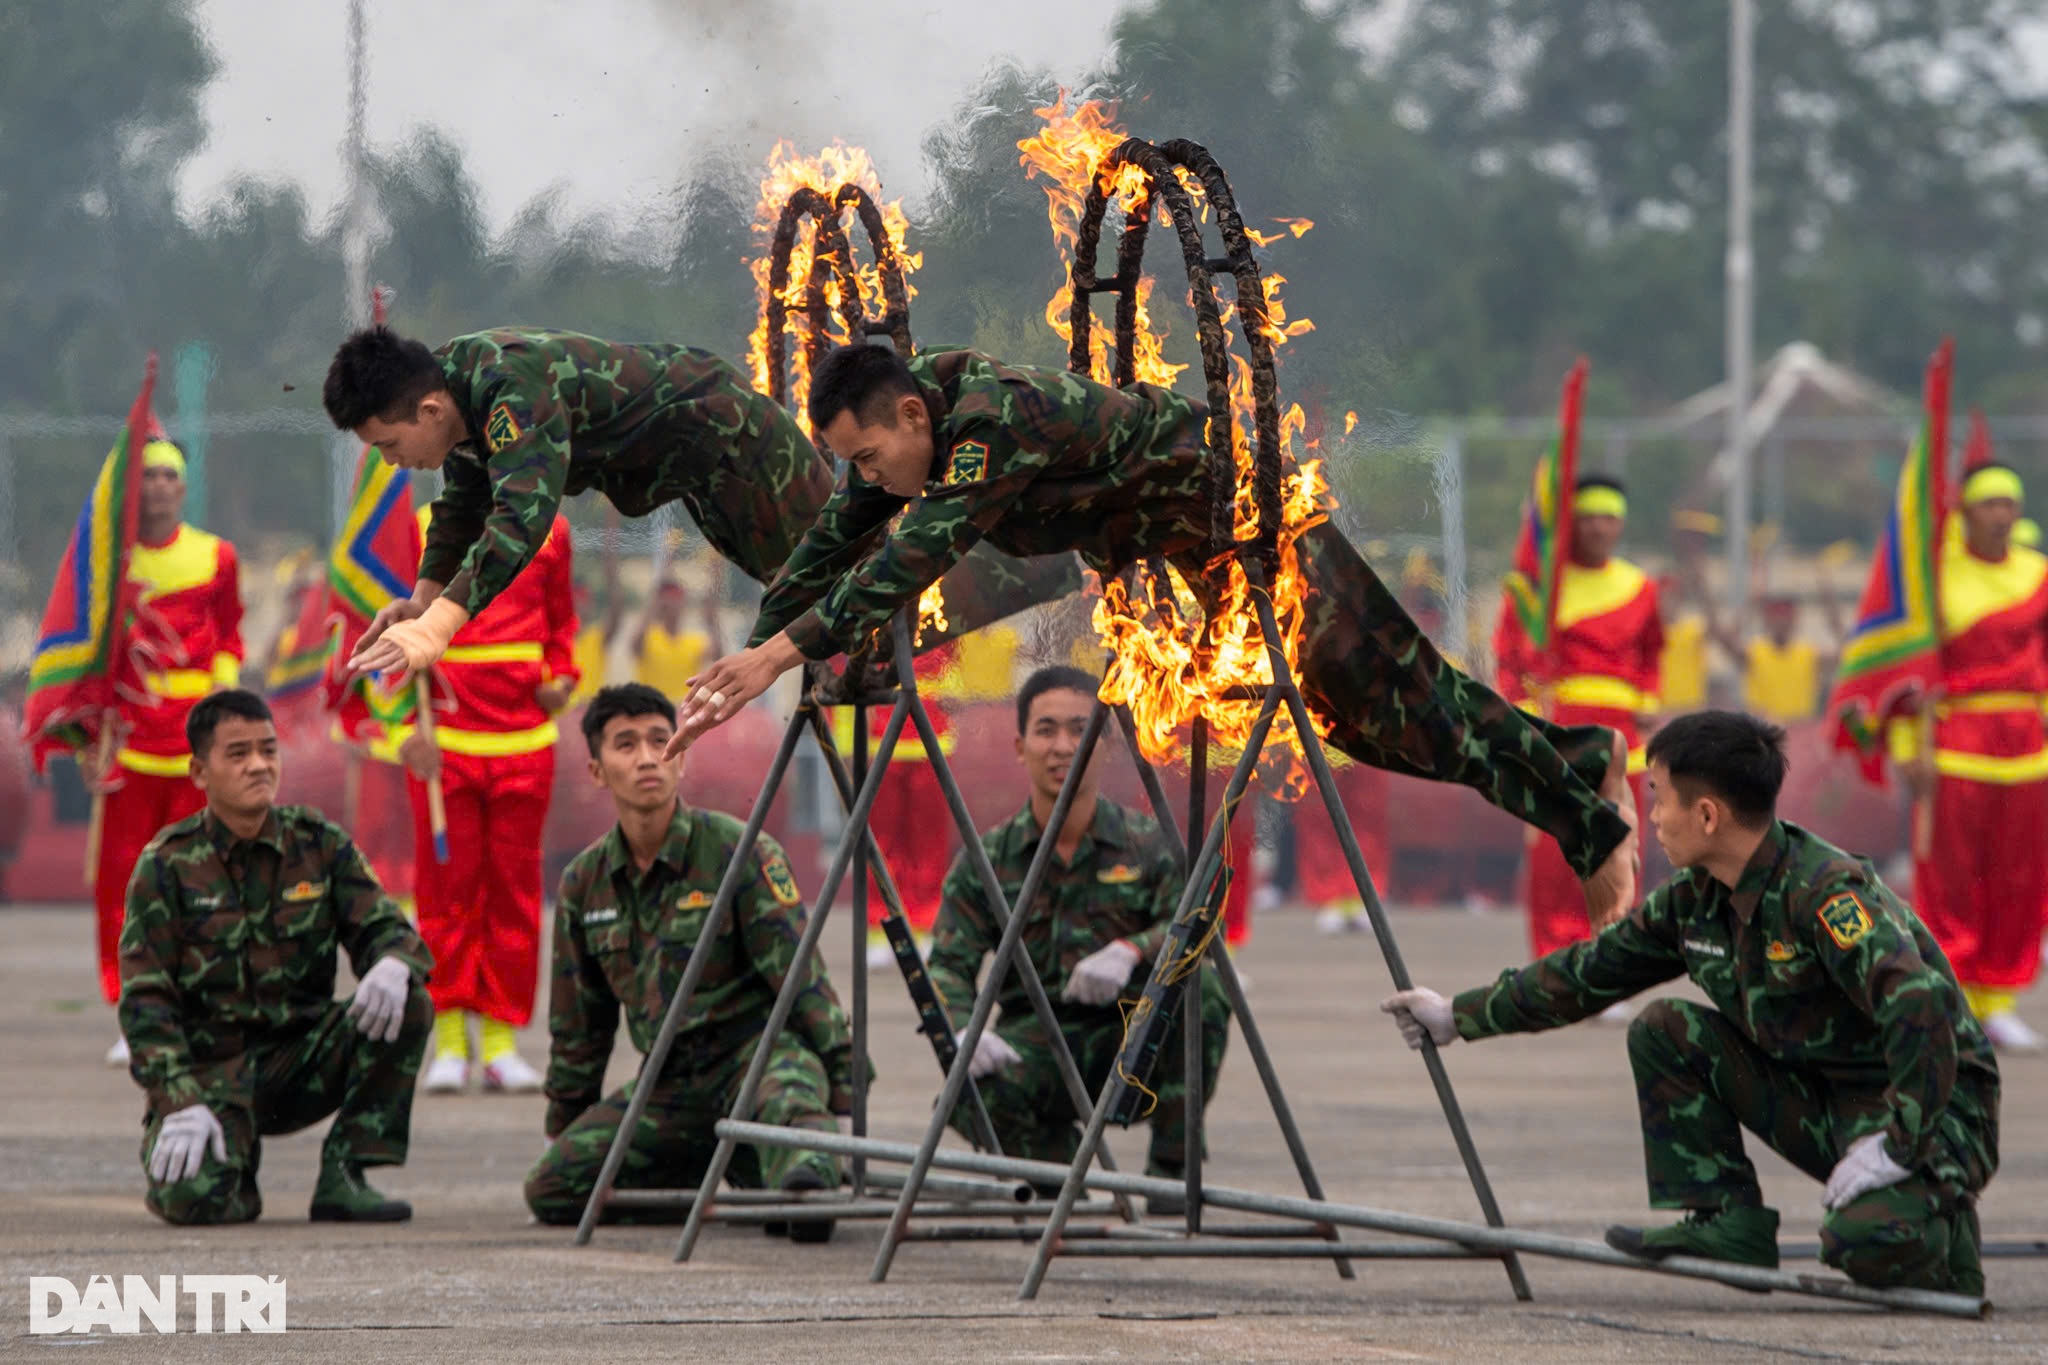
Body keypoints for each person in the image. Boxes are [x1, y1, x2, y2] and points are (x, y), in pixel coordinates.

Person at [676, 344, 1640, 925]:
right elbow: (826, 547)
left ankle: (1588, 813)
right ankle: (1583, 761)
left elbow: (906, 561)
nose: (871, 479)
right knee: (1376, 726)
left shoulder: (987, 423)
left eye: (872, 457)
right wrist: (748, 650)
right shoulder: (906, 435)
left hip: (1264, 533)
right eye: (857, 463)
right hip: (1205, 560)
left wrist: (776, 656)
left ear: (912, 416)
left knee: (1415, 706)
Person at [1381, 711, 1997, 1296]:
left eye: (1658, 797)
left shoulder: (1824, 894)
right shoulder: (1694, 900)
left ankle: (1946, 1235)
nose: (1649, 818)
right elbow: (1587, 974)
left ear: (1707, 815)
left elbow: (1921, 1010)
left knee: (1864, 1244)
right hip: (1832, 1099)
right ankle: (1727, 1222)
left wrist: (1900, 1141)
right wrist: (1457, 1016)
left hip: (1932, 1108)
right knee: (1664, 1029)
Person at [320, 326, 1078, 685]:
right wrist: (421, 602)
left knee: (853, 581)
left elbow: (520, 516)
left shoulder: (509, 386)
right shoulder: (457, 398)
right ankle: (896, 646)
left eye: (389, 446)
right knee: (825, 598)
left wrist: (443, 626)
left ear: (424, 407)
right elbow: (466, 499)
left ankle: (1048, 561)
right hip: (701, 475)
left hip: (736, 444)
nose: (395, 464)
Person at [524, 684, 853, 1240]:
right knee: (556, 1189)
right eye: (625, 745)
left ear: (683, 755)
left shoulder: (736, 850)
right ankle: (733, 1171)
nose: (649, 757)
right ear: (598, 770)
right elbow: (579, 1026)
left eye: (661, 740)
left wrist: (844, 1091)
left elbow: (802, 980)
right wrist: (570, 1125)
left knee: (800, 1145)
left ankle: (793, 1177)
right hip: (670, 1083)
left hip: (757, 1060)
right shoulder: (585, 883)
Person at [116, 689, 434, 1225]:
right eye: (238, 754)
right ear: (199, 772)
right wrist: (179, 1099)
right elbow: (146, 1002)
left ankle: (347, 1171)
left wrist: (392, 961)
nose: (259, 766)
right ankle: (230, 1161)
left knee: (408, 1000)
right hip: (211, 1077)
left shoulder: (318, 845)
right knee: (199, 1203)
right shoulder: (166, 865)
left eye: (268, 750)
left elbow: (387, 927)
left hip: (302, 1062)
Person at [926, 666, 1230, 1216]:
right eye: (1046, 730)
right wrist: (964, 1026)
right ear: (1020, 746)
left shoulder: (1146, 844)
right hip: (1038, 1041)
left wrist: (1131, 950)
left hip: (1133, 1037)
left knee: (1203, 992)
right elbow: (948, 962)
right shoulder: (987, 860)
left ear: (1105, 745)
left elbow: (1203, 925)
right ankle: (1063, 1183)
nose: (1063, 746)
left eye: (1078, 729)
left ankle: (1170, 1170)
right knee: (965, 1095)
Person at [401, 512, 581, 1094]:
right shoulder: (425, 525)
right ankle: (450, 1039)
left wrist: (561, 677)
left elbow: (562, 625)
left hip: (524, 740)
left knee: (515, 891)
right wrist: (404, 727)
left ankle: (502, 1040)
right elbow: (391, 630)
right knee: (445, 891)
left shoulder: (552, 529)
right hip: (445, 740)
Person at [90, 440, 245, 1065]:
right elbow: (88, 651)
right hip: (127, 746)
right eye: (147, 475)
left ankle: (194, 1004)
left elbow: (230, 632)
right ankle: (134, 1008)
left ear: (183, 487)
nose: (157, 486)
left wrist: (226, 704)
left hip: (193, 746)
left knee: (200, 880)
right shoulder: (108, 561)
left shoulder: (216, 555)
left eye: (168, 476)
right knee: (123, 886)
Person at [1891, 461, 2048, 1051]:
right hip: (1955, 748)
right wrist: (1907, 744)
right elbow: (1906, 669)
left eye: (2010, 503)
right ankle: (1951, 996)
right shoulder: (1935, 578)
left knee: (2019, 879)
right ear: (1964, 512)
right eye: (1989, 504)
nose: (2002, 515)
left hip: (2027, 749)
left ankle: (1997, 1001)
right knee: (1952, 880)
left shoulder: (2039, 574)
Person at [1493, 473, 1663, 957]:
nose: (1597, 528)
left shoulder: (1640, 587)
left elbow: (1652, 657)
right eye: (1587, 517)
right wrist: (1525, 715)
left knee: (1618, 848)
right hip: (1558, 731)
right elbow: (1508, 654)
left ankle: (1607, 960)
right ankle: (1555, 960)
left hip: (1622, 739)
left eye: (1607, 518)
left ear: (1621, 524)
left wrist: (1648, 708)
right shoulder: (1539, 588)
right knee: (1554, 852)